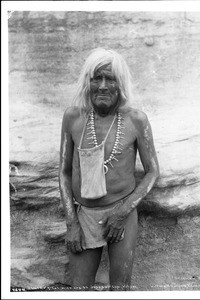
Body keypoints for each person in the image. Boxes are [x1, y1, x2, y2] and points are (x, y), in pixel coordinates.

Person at [59, 48, 159, 291]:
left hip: (122, 214)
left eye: (110, 78)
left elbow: (152, 171)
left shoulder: (136, 120)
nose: (103, 86)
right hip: (83, 216)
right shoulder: (73, 117)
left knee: (121, 289)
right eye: (97, 78)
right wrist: (72, 223)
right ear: (88, 82)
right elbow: (64, 171)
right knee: (80, 290)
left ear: (120, 84)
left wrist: (123, 211)